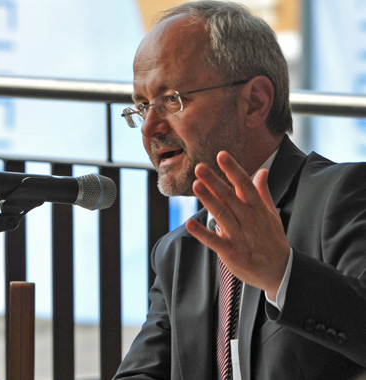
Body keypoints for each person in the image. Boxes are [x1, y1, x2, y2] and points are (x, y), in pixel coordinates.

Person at [114, 2, 366, 379]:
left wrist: (283, 272)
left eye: (172, 100)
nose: (150, 127)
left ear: (255, 102)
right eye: (141, 106)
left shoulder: (341, 195)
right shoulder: (178, 251)